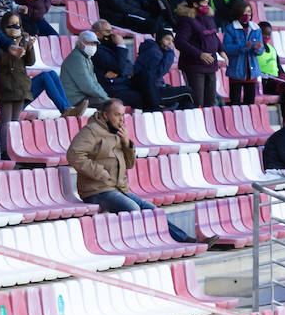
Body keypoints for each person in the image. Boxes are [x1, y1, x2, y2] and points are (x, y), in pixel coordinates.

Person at [66, 99, 201, 244]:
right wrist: (100, 172)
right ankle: (147, 244)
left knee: (153, 211)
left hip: (117, 188)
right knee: (133, 208)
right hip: (96, 190)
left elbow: (130, 164)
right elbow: (74, 154)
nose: (121, 119)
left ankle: (184, 239)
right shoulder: (91, 131)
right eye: (117, 115)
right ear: (105, 115)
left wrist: (126, 143)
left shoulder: (118, 132)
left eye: (122, 115)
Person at [0, 11, 37, 160]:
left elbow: (30, 62)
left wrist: (30, 48)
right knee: (5, 121)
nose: (15, 26)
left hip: (21, 85)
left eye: (17, 24)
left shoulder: (23, 38)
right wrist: (11, 51)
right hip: (5, 86)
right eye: (11, 24)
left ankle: (14, 149)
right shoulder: (0, 40)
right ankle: (4, 151)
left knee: (15, 121)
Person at [175, 0, 225, 107]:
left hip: (211, 65)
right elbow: (180, 41)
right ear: (195, 4)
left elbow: (213, 36)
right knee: (197, 102)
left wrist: (221, 50)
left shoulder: (208, 18)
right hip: (194, 66)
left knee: (210, 102)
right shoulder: (187, 20)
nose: (207, 5)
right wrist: (199, 54)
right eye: (204, 2)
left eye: (207, 2)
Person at [131, 28, 196, 112]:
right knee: (188, 91)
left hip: (155, 88)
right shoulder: (155, 53)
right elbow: (159, 72)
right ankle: (196, 112)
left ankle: (174, 113)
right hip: (154, 92)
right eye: (167, 39)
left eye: (172, 41)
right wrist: (170, 53)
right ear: (159, 39)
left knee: (185, 100)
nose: (170, 43)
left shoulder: (152, 49)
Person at [59, 30, 110, 118]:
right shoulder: (77, 58)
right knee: (110, 107)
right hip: (75, 100)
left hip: (84, 98)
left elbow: (95, 83)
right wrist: (107, 99)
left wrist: (106, 97)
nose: (93, 46)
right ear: (80, 43)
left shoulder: (86, 58)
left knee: (111, 104)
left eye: (94, 44)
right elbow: (87, 86)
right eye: (89, 43)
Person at [221, 2, 263, 105]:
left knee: (250, 103)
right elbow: (227, 48)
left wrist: (257, 49)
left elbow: (260, 50)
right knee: (235, 102)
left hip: (252, 73)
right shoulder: (230, 28)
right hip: (236, 72)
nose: (247, 15)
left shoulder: (256, 29)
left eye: (249, 12)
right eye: (244, 12)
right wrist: (243, 47)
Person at [258, 21, 285, 118]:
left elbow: (279, 66)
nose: (266, 37)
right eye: (263, 34)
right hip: (264, 82)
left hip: (276, 79)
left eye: (268, 35)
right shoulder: (255, 49)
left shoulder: (272, 49)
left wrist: (283, 76)